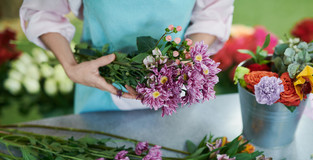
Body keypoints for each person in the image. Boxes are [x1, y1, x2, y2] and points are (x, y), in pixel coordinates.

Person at [20, 0, 234, 114]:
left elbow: (212, 12)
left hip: (175, 90)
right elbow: (42, 10)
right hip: (99, 87)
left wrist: (184, 61)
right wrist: (70, 65)